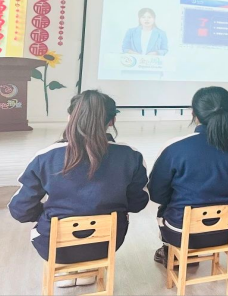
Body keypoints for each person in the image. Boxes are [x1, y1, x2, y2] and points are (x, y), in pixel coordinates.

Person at [9, 91, 148, 288]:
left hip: (53, 245)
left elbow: (20, 209)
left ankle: (68, 272)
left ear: (70, 117)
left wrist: (46, 214)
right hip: (107, 244)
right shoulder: (130, 155)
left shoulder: (46, 157)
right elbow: (137, 203)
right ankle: (88, 271)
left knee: (47, 229)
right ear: (112, 121)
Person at [148, 87, 228, 266]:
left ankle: (174, 252)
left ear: (194, 113)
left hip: (180, 231)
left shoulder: (175, 148)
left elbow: (156, 194)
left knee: (167, 206)